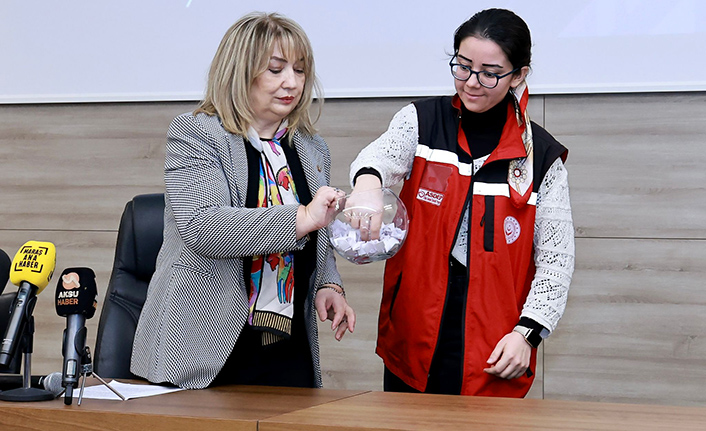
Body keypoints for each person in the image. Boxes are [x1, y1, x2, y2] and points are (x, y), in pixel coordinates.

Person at [349, 8, 574, 397]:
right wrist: (367, 186)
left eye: (490, 73)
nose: (472, 82)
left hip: (495, 344)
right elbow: (376, 160)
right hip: (414, 331)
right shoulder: (421, 122)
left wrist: (528, 333)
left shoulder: (541, 157)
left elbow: (556, 261)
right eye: (462, 66)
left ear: (519, 75)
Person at [131, 12, 355, 390]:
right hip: (203, 346)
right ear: (240, 71)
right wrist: (301, 216)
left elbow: (321, 233)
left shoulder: (312, 147)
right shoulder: (197, 133)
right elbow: (203, 226)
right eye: (275, 69)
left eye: (300, 71)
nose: (292, 83)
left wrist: (329, 285)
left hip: (288, 345)